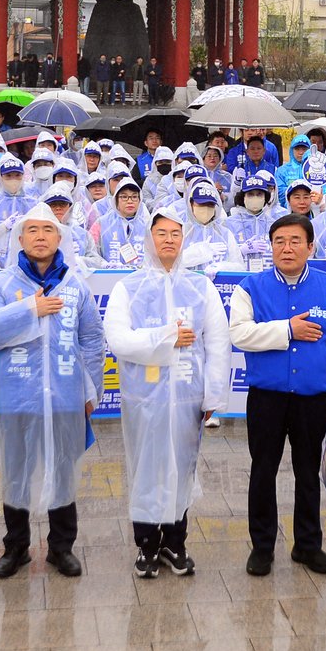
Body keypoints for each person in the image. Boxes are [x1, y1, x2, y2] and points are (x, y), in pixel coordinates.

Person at [0, 204, 106, 579]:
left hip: (65, 396)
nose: (41, 237)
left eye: (48, 231)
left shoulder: (75, 285)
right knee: (15, 472)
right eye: (32, 231)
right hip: (17, 398)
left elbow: (93, 338)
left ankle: (61, 547)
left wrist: (90, 389)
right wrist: (30, 308)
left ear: (60, 238)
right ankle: (16, 546)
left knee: (63, 472)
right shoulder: (1, 284)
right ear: (21, 238)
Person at [103, 208, 230, 577]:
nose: (169, 240)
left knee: (182, 469)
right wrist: (165, 338)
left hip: (188, 400)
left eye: (176, 233)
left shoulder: (200, 286)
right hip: (145, 400)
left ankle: (176, 543)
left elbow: (218, 342)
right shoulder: (128, 287)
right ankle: (146, 545)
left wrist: (214, 396)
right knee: (146, 469)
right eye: (162, 233)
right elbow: (118, 340)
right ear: (149, 238)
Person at [227, 214, 326, 577]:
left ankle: (308, 546)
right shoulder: (250, 287)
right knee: (263, 471)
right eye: (279, 240)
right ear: (270, 246)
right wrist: (288, 330)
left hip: (313, 398)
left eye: (295, 240)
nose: (287, 247)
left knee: (308, 473)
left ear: (310, 246)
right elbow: (240, 334)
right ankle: (262, 547)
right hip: (267, 397)